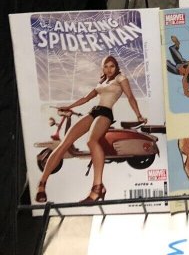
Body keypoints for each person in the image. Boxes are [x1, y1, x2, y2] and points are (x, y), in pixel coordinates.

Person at [35, 55, 147, 204]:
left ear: (116, 67)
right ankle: (42, 184)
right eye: (106, 66)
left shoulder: (121, 78)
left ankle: (97, 187)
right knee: (64, 144)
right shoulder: (102, 82)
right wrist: (69, 107)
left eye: (112, 66)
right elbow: (85, 98)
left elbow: (131, 97)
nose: (109, 69)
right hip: (94, 111)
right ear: (102, 68)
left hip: (105, 113)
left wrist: (138, 115)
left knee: (92, 141)